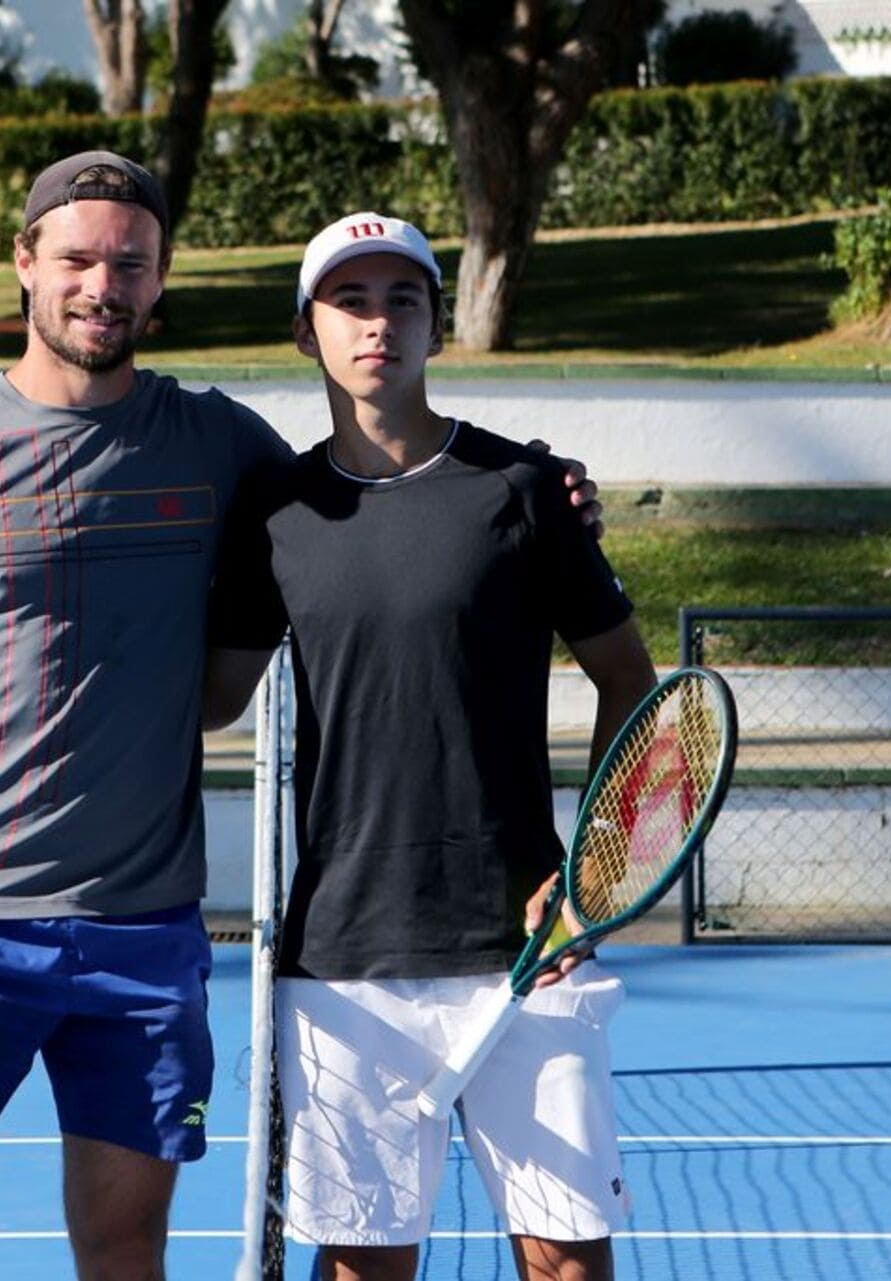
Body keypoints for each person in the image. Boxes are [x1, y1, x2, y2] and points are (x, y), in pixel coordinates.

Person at [0, 151, 604, 1281]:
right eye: (76, 259)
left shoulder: (224, 452)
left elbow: (377, 494)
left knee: (128, 1251)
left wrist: (553, 496)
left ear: (160, 283)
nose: (101, 286)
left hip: (143, 937)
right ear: (25, 264)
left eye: (130, 264)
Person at [202, 212, 660, 1281]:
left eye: (402, 299)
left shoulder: (526, 492)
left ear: (436, 324)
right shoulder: (275, 512)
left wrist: (592, 880)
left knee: (566, 1263)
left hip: (528, 951)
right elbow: (213, 698)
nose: (378, 323)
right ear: (307, 331)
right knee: (366, 1269)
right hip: (343, 955)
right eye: (350, 302)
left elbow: (631, 685)